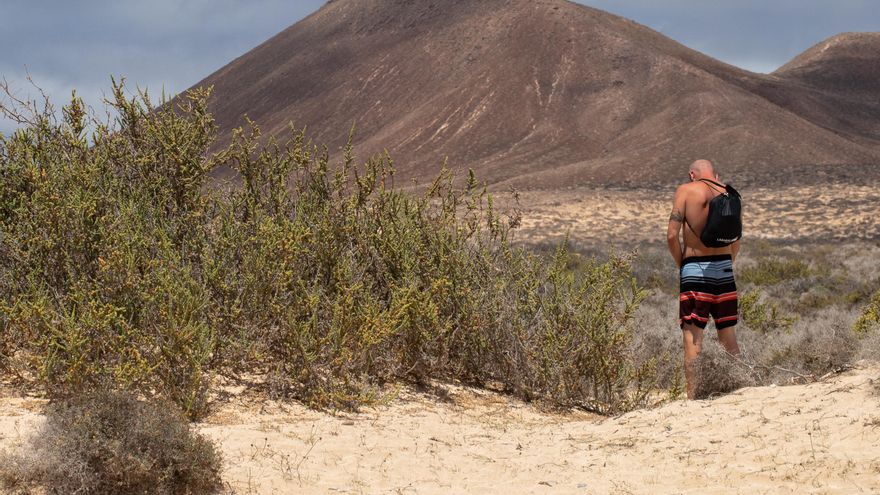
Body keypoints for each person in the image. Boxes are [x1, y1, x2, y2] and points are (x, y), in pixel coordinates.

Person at [667, 159, 741, 399]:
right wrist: (728, 262)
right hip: (725, 268)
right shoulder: (728, 192)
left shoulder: (686, 190)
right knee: (728, 334)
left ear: (692, 174)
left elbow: (671, 236)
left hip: (695, 269)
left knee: (693, 335)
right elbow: (736, 237)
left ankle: (694, 396)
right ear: (715, 173)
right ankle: (738, 390)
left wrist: (683, 265)